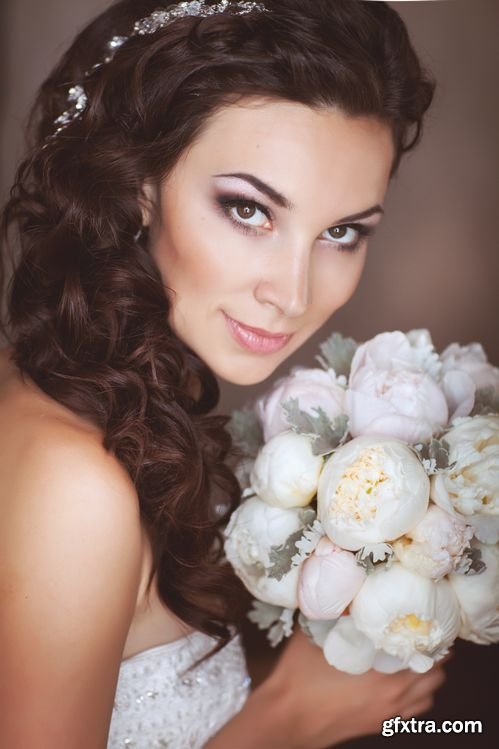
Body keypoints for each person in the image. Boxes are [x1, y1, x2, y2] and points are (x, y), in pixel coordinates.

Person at [0, 1, 448, 747]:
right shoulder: (77, 487)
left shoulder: (58, 391)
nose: (295, 293)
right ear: (140, 183)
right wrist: (285, 721)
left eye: (341, 232)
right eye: (248, 209)